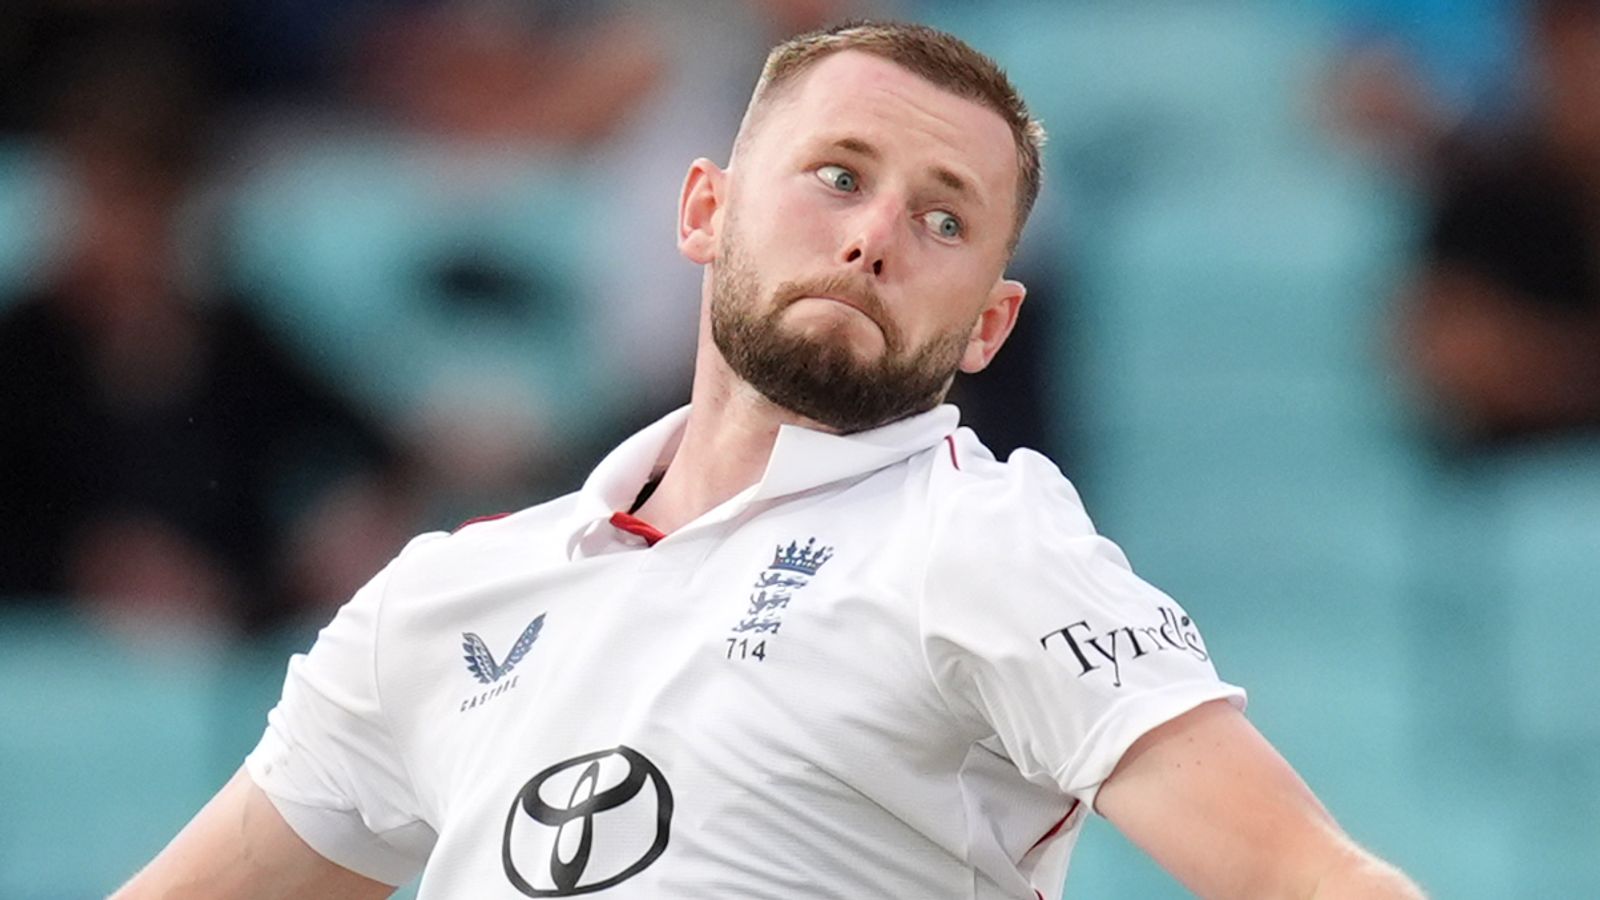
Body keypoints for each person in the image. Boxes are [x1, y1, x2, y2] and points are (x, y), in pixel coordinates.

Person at [116, 21, 1424, 899]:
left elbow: (1312, 880)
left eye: (943, 218)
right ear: (704, 209)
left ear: (989, 325)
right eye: (838, 176)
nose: (874, 237)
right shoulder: (438, 600)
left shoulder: (987, 543)